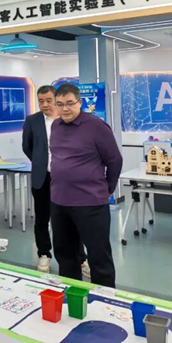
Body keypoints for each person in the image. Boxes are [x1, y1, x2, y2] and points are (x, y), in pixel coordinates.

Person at [49, 83, 123, 288]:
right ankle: (73, 296)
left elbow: (114, 160)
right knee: (65, 255)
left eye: (70, 103)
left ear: (80, 102)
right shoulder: (55, 126)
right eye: (60, 104)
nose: (65, 108)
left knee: (99, 257)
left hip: (90, 203)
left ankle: (104, 301)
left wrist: (107, 189)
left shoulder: (96, 126)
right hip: (59, 202)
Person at [22, 85, 88, 276]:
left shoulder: (67, 118)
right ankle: (44, 253)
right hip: (43, 177)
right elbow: (27, 147)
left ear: (56, 99)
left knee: (72, 219)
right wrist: (41, 162)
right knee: (42, 218)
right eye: (41, 101)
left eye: (49, 100)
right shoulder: (32, 121)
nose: (44, 104)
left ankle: (80, 258)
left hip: (66, 179)